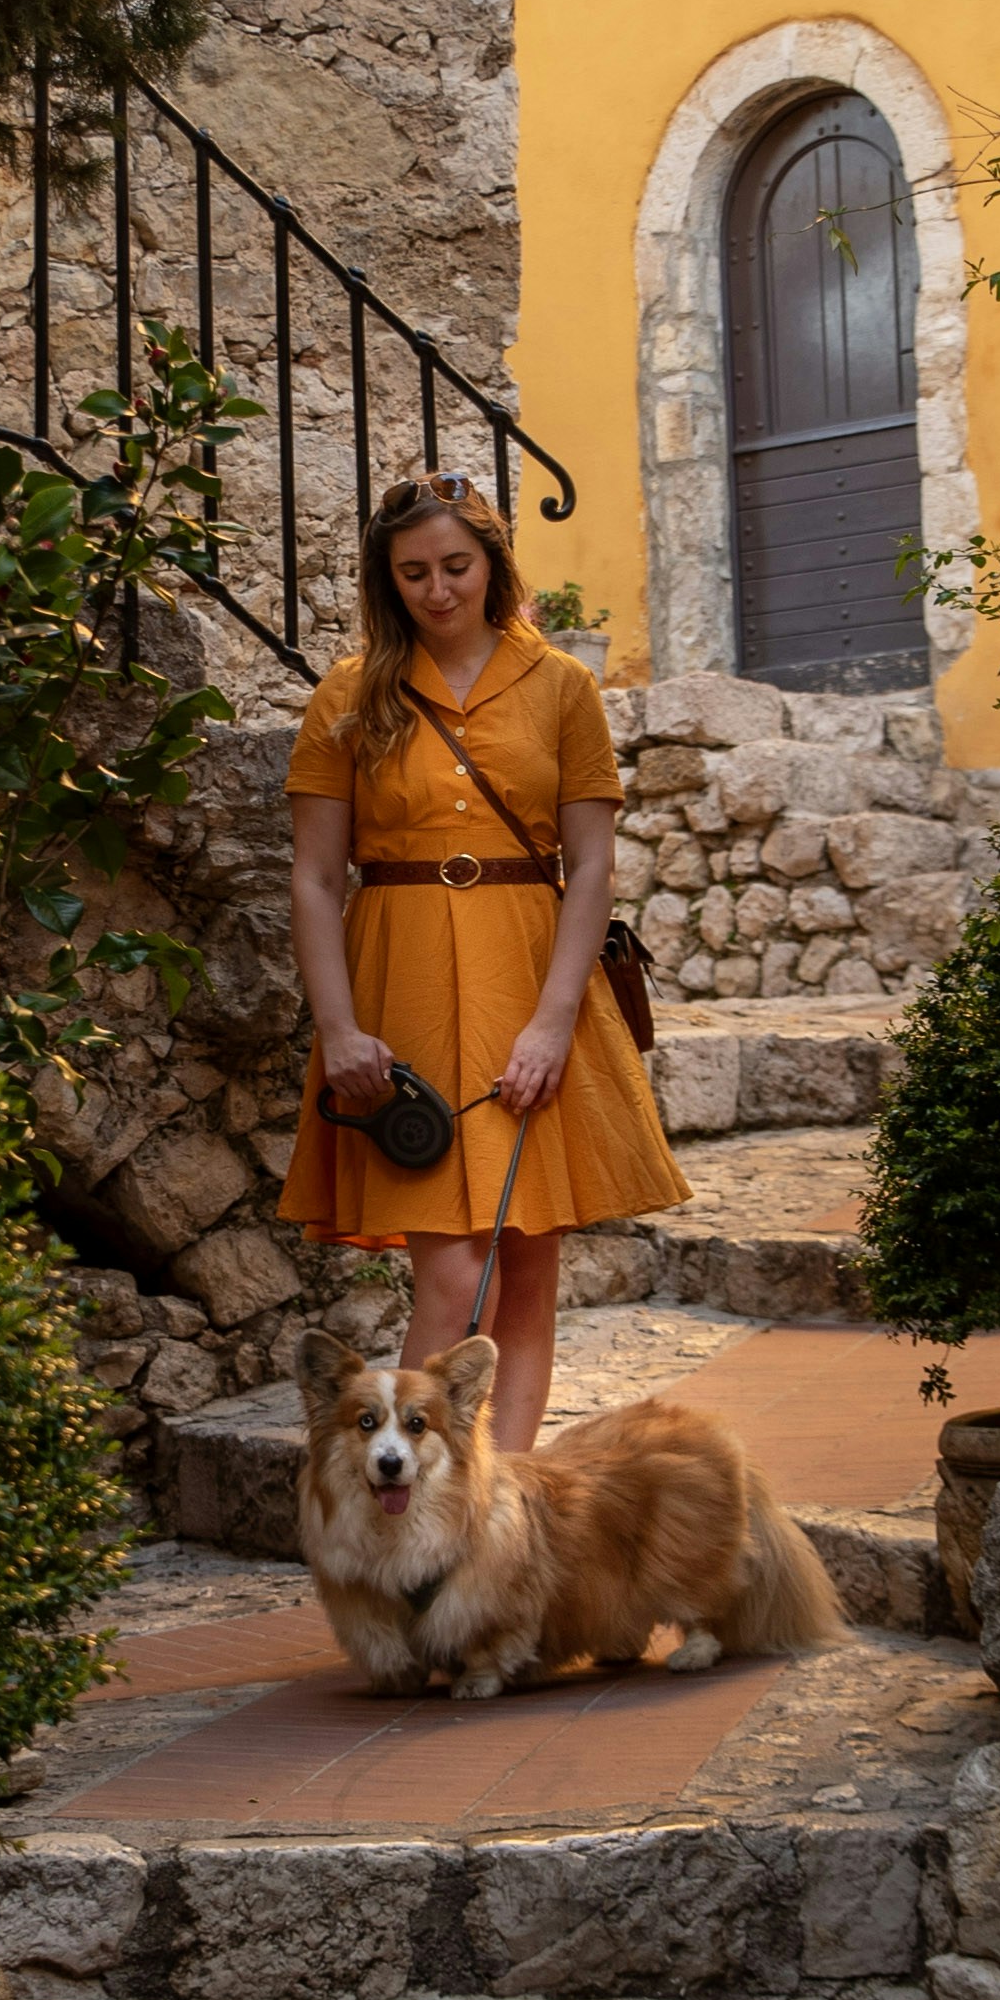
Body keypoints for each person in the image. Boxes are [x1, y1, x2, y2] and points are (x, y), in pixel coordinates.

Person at [277, 472, 685, 1451]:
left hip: (533, 980)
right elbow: (310, 877)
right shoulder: (348, 691)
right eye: (412, 572)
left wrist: (550, 1023)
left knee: (530, 1266)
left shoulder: (561, 686)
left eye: (455, 565)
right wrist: (336, 1027)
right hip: (402, 981)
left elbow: (588, 866)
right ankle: (409, 1504)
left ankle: (495, 1512)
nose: (437, 589)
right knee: (460, 1275)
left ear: (491, 564)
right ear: (388, 581)